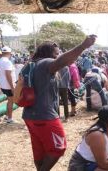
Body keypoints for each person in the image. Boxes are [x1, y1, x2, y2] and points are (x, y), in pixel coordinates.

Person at [14, 35, 97, 171]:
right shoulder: (46, 62)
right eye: (56, 54)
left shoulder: (29, 65)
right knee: (58, 148)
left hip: (29, 116)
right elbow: (64, 60)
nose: (58, 56)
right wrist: (83, 46)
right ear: (48, 54)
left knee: (40, 150)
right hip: (45, 116)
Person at [0, 46, 16, 122]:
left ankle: (7, 116)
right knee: (11, 101)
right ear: (9, 53)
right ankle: (9, 118)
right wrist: (12, 87)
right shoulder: (7, 62)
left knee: (9, 100)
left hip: (3, 84)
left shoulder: (0, 61)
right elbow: (8, 74)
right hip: (8, 85)